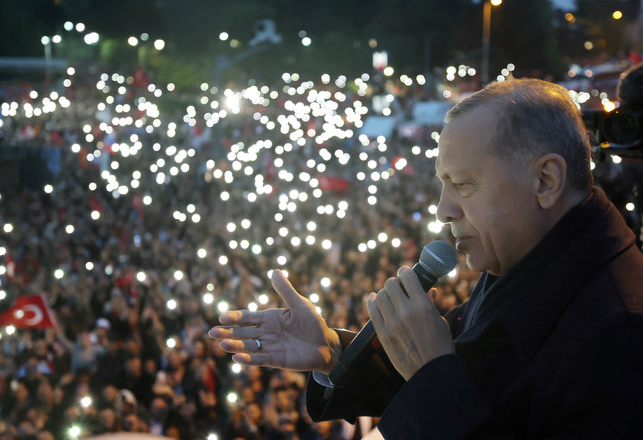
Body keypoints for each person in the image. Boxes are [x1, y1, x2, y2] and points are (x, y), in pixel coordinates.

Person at [209, 78, 643, 438]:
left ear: (545, 180)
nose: (443, 209)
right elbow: (467, 368)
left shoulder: (622, 334)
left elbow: (447, 380)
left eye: (463, 184)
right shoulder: (532, 252)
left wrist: (432, 373)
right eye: (443, 183)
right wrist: (336, 354)